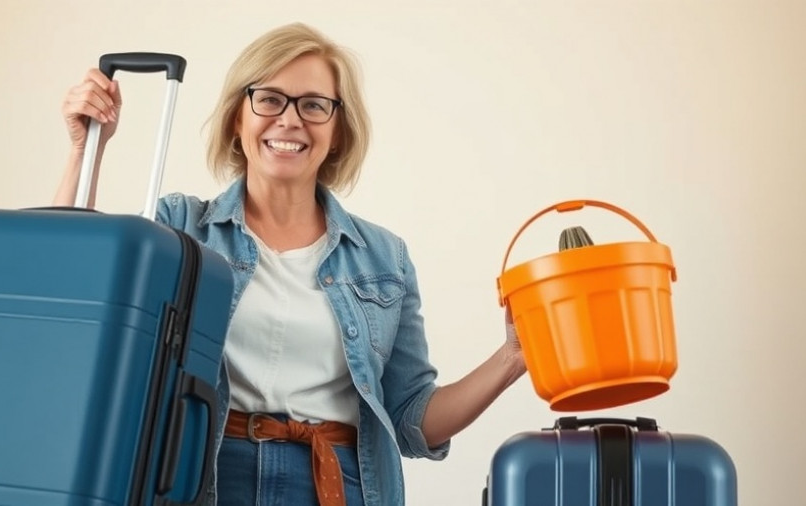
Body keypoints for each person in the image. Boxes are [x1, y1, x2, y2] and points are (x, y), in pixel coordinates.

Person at [54, 22, 526, 506]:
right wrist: (83, 148)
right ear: (238, 118)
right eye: (270, 99)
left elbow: (411, 420)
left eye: (314, 105)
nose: (290, 119)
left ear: (338, 131)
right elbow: (74, 291)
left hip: (337, 484)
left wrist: (512, 358)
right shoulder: (180, 228)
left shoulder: (385, 258)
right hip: (202, 475)